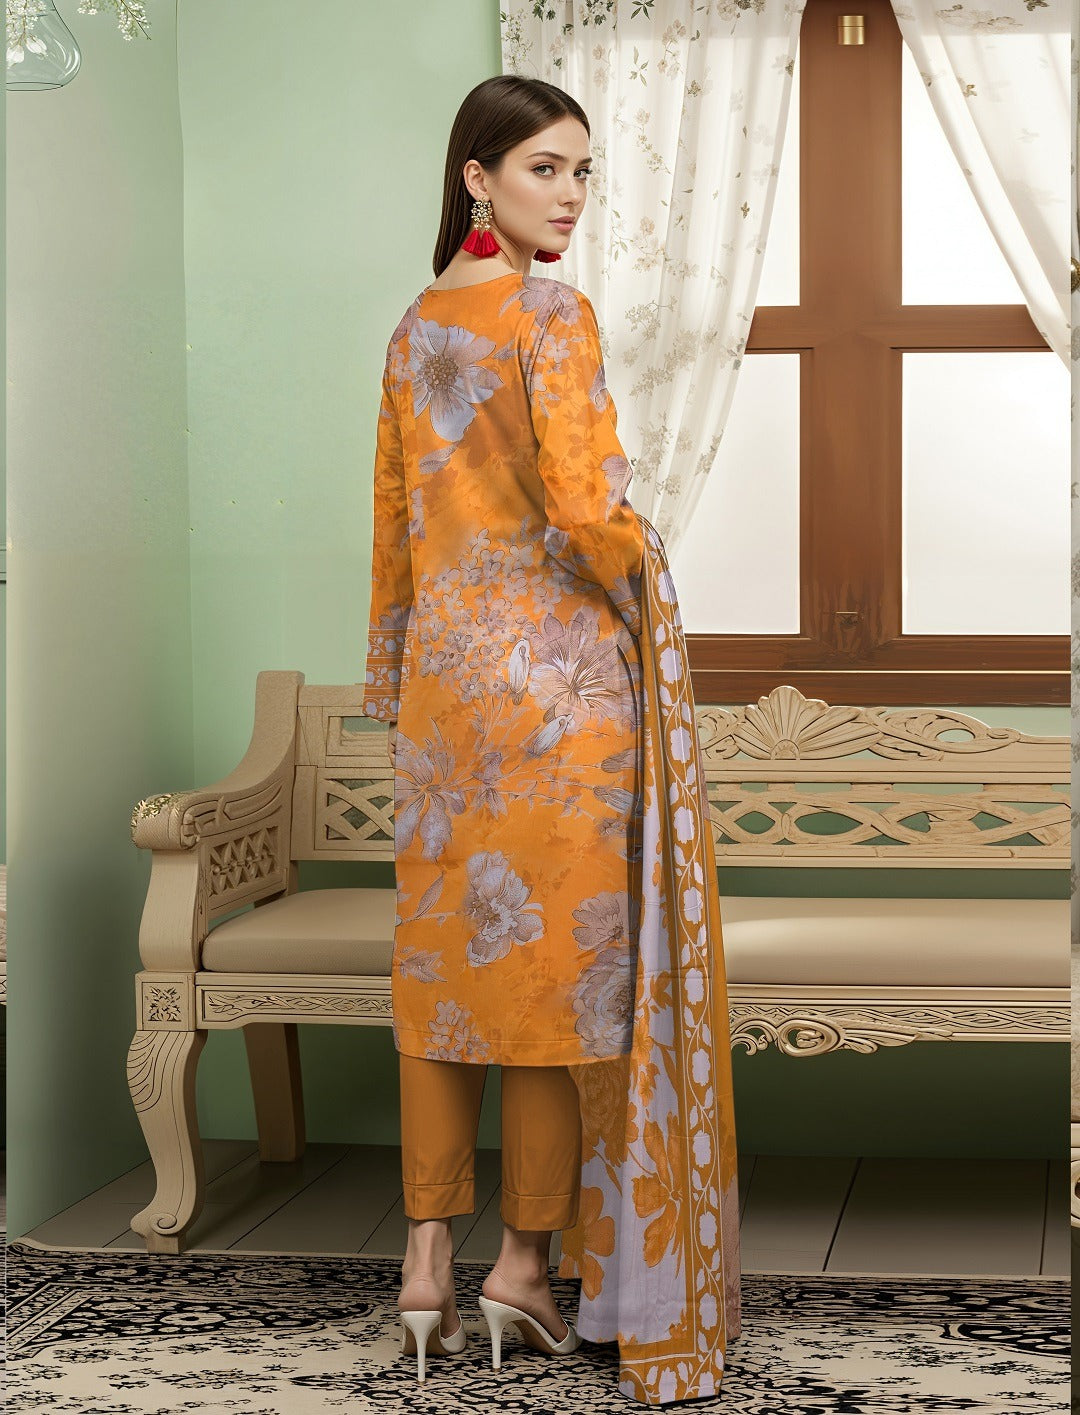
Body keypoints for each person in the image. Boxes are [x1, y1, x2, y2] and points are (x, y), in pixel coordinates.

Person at [361, 73, 645, 1383]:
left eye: (583, 172)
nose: (571, 195)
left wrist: (392, 676)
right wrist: (644, 564)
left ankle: (424, 1264)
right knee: (544, 986)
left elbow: (395, 531)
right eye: (545, 169)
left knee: (445, 978)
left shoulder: (417, 325)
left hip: (445, 701)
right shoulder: (552, 315)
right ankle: (521, 1269)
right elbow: (588, 512)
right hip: (559, 700)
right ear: (477, 177)